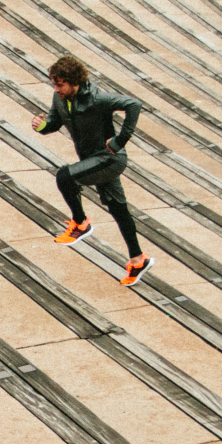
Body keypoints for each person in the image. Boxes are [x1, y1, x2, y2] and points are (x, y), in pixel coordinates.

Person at [31, 55, 154, 286]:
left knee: (65, 176)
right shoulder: (61, 99)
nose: (56, 89)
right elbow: (54, 123)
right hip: (92, 160)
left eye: (60, 84)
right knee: (118, 209)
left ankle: (80, 223)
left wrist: (121, 140)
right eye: (54, 84)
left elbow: (133, 104)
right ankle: (138, 260)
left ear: (74, 81)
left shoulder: (97, 98)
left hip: (109, 158)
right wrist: (43, 126)